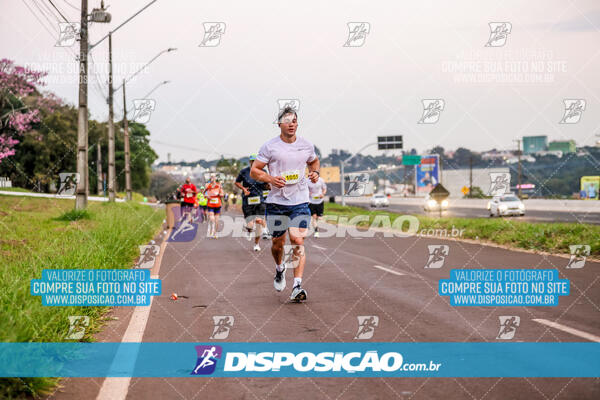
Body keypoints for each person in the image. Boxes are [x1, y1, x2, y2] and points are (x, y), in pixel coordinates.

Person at [250, 106, 320, 302]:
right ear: (279, 124)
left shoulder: (306, 145)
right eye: (288, 121)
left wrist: (315, 173)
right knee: (277, 244)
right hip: (277, 202)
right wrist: (271, 179)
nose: (292, 124)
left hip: (300, 199)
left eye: (295, 121)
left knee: (297, 240)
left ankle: (297, 285)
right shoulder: (269, 147)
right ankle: (280, 268)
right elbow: (255, 171)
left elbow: (314, 162)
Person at [235, 154, 269, 252]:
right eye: (252, 161)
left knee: (259, 221)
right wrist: (243, 188)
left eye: (255, 160)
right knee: (250, 224)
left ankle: (256, 244)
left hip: (260, 200)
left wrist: (268, 187)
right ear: (250, 162)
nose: (254, 162)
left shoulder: (263, 171)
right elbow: (237, 182)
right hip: (247, 200)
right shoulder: (244, 172)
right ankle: (249, 230)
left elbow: (266, 185)